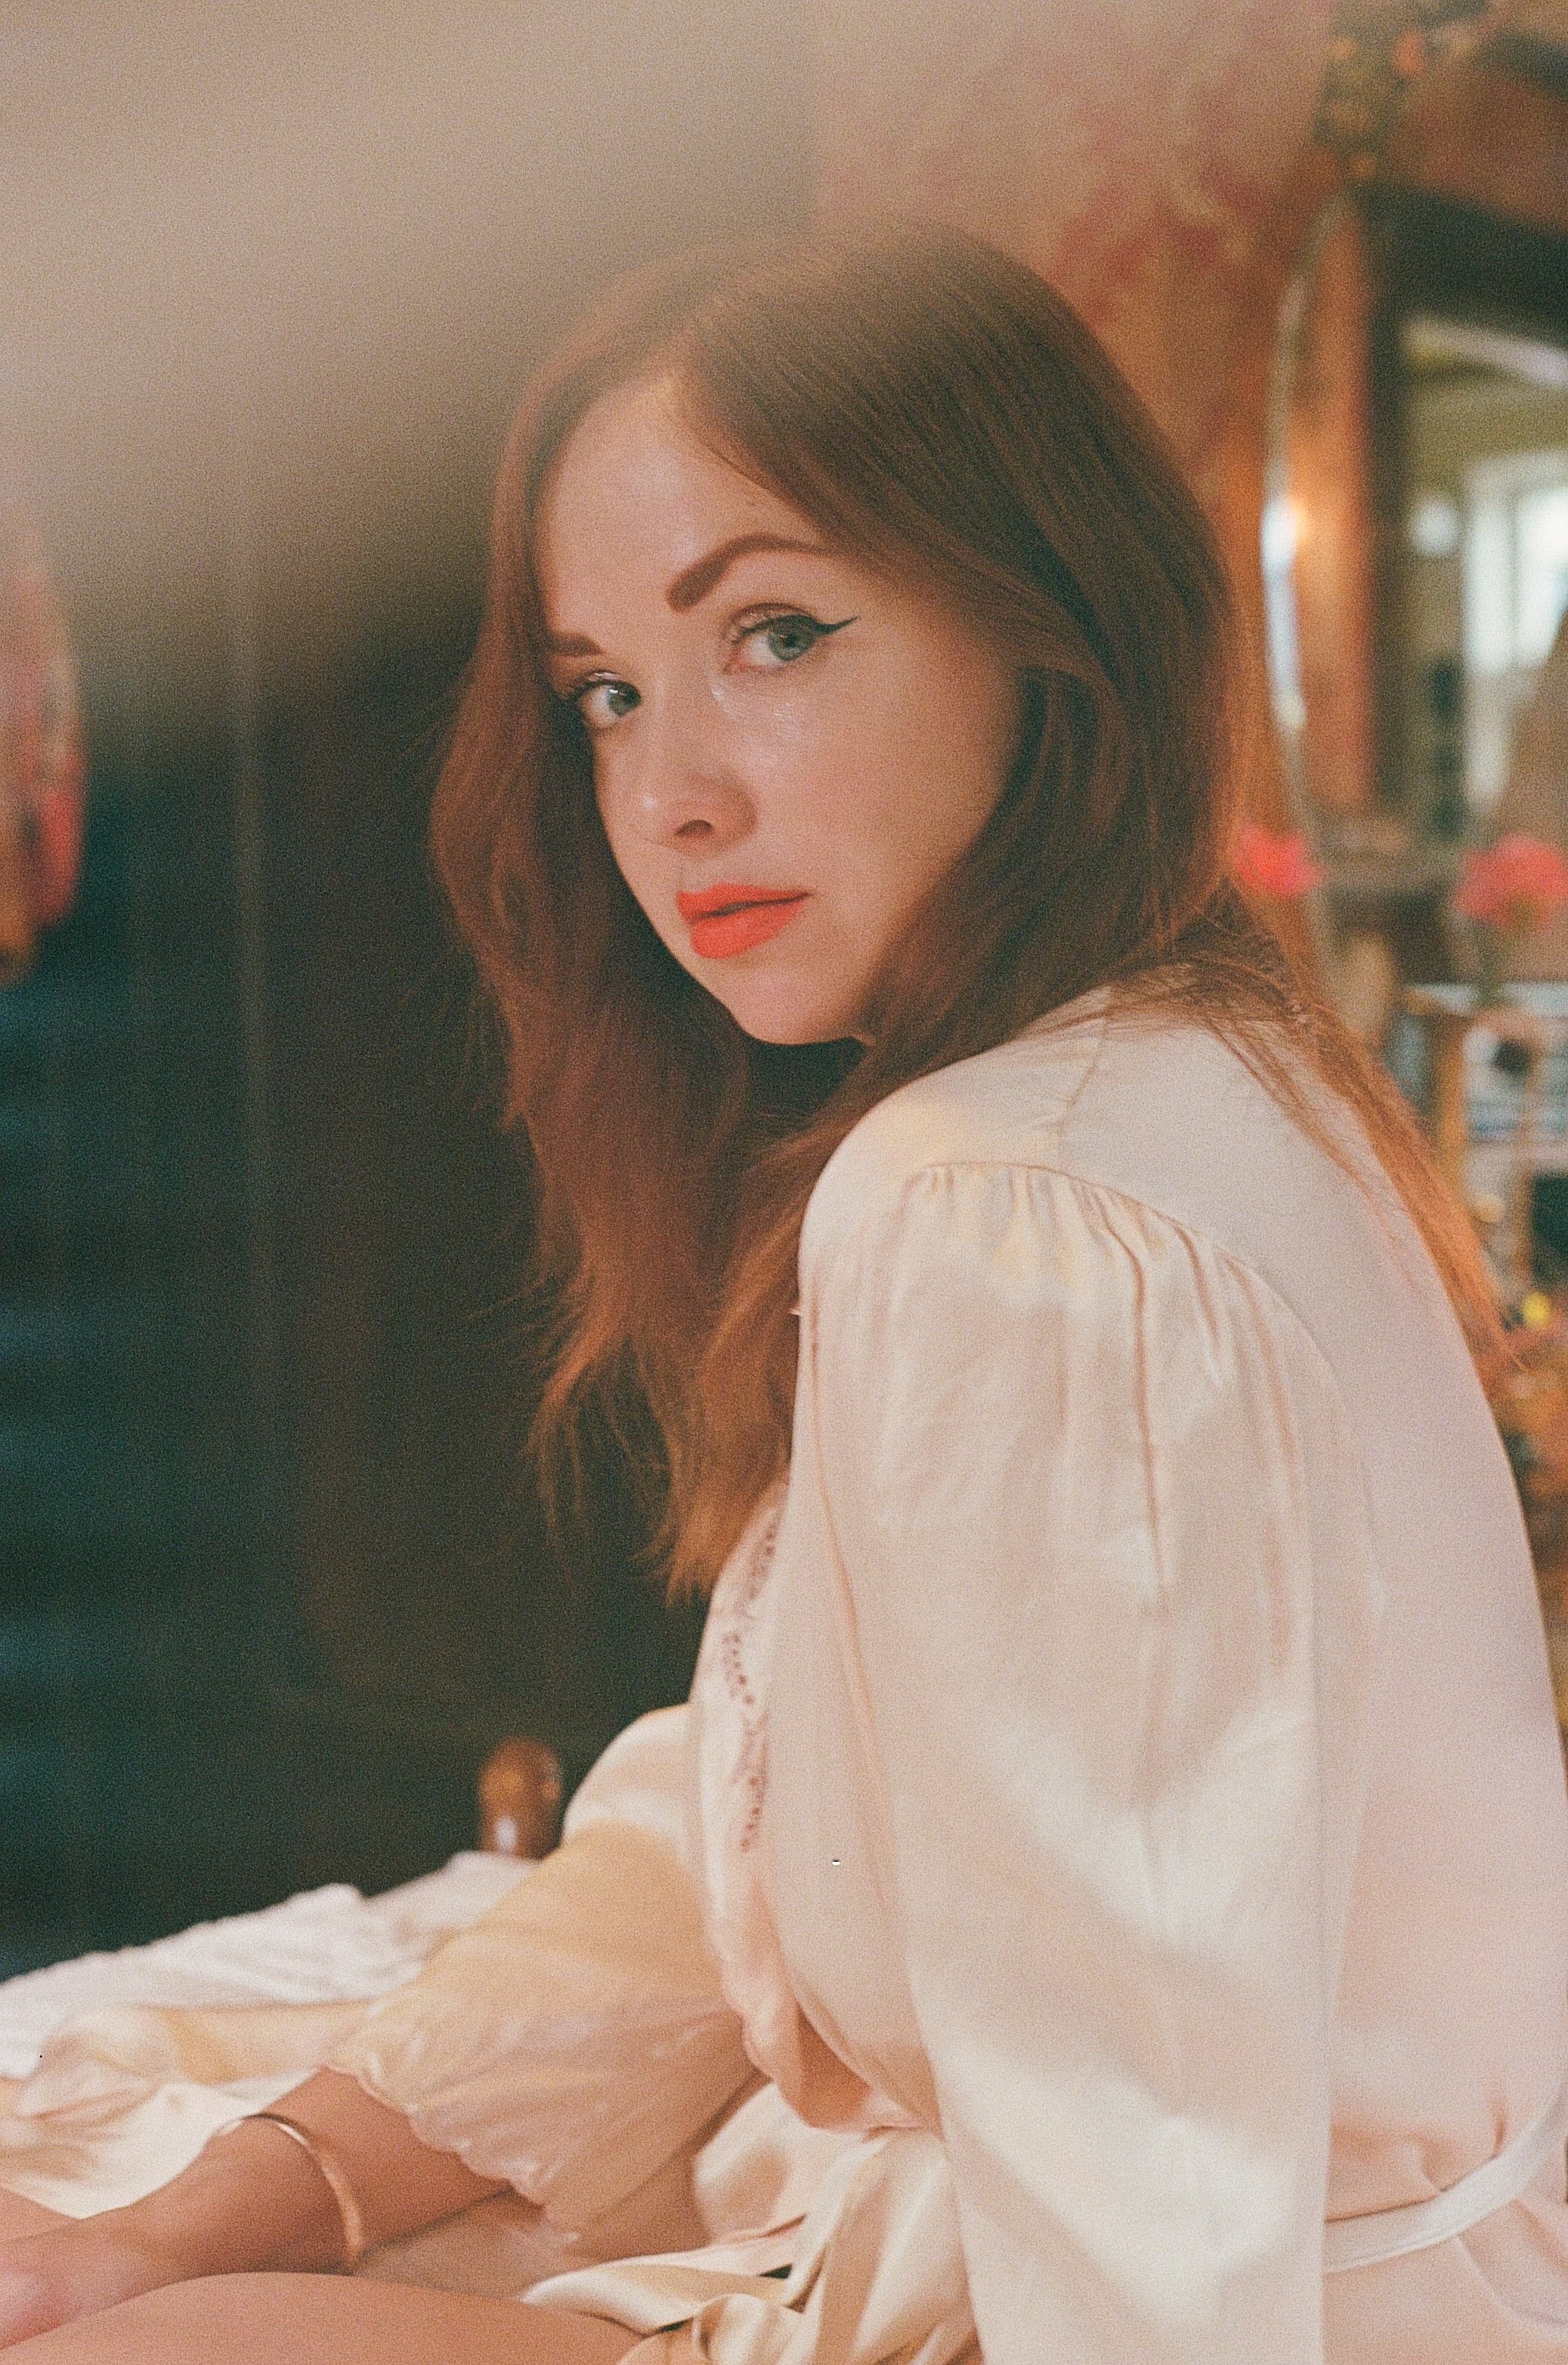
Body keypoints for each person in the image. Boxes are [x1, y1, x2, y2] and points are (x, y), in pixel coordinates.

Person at [0, 224, 1563, 2363]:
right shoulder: (1208, 1073)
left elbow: (1140, 2169)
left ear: (1048, 626)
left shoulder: (1004, 1205)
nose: (669, 793)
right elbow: (743, 1801)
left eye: (777, 632)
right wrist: (233, 2201)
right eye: (609, 693)